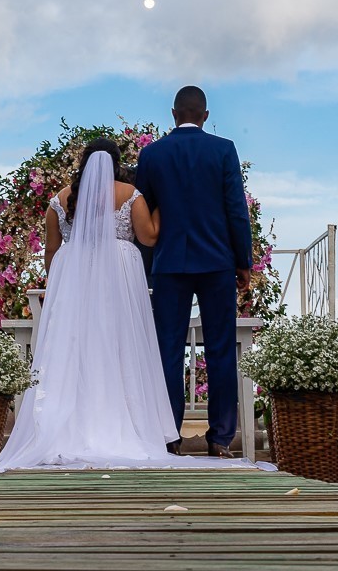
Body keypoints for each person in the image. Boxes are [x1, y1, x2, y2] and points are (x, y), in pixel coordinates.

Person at [0, 138, 180, 469]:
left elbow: (51, 252)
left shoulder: (60, 199)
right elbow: (149, 236)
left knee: (75, 351)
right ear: (115, 163)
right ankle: (125, 424)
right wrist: (165, 202)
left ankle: (71, 426)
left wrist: (66, 284)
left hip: (74, 285)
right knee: (120, 347)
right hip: (119, 283)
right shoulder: (129, 194)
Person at [135, 86, 253, 459]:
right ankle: (219, 438)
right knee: (220, 349)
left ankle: (169, 436)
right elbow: (236, 208)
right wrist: (244, 261)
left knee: (167, 350)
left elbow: (143, 216)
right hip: (217, 261)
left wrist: (145, 266)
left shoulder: (152, 154)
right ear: (204, 115)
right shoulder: (223, 150)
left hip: (170, 263)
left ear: (173, 114)